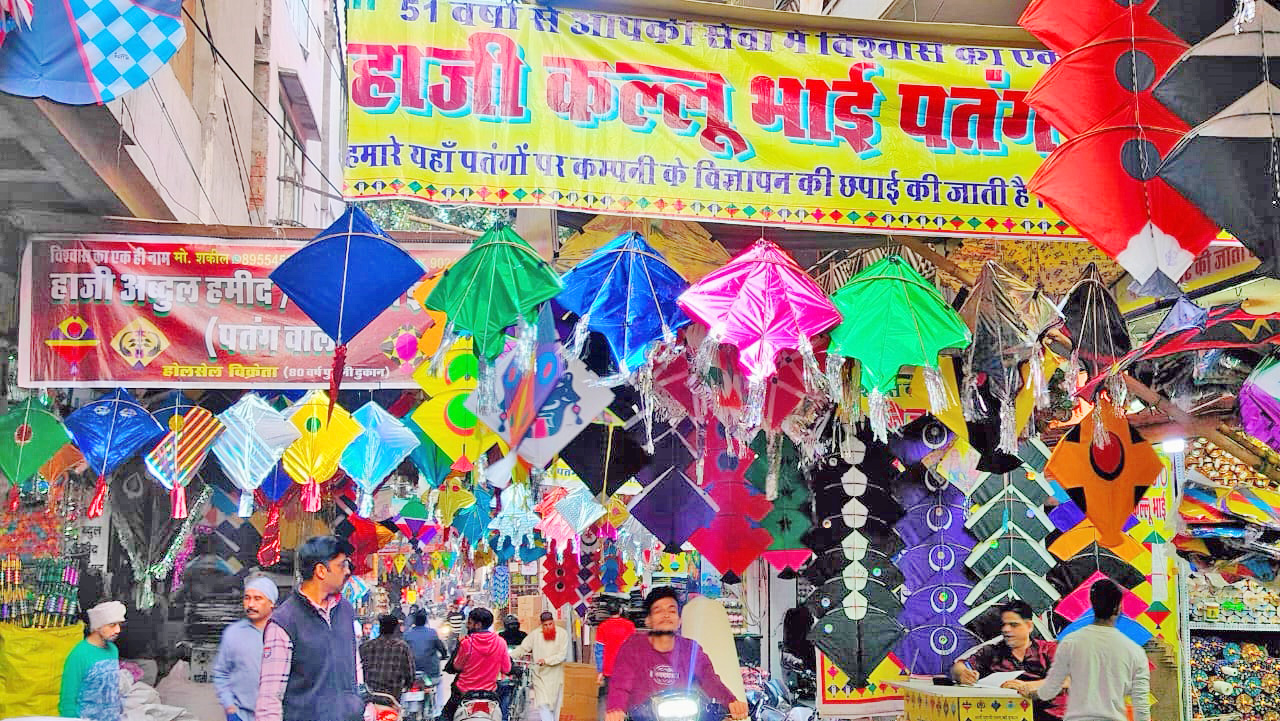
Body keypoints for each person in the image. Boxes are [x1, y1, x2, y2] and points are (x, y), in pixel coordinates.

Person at [256, 535, 367, 721]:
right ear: (321, 571)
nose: (347, 571)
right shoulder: (284, 622)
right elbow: (270, 696)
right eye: (341, 565)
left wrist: (362, 705)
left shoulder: (346, 610)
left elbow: (355, 668)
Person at [605, 587, 748, 721]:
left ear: (679, 621)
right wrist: (616, 710)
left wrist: (731, 702)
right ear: (648, 620)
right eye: (658, 610)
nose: (666, 615)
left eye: (672, 611)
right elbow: (620, 685)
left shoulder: (690, 649)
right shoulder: (633, 647)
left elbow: (709, 679)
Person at [1023, 580, 1151, 721]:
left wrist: (1026, 690)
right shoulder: (1134, 651)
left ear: (1092, 604)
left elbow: (1050, 689)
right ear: (1119, 608)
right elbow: (1141, 706)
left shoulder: (1069, 643)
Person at [950, 600, 1065, 721]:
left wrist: (1028, 686)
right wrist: (961, 673)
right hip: (1006, 715)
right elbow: (959, 666)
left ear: (1029, 626)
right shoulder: (992, 652)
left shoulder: (1049, 649)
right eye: (1004, 625)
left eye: (1013, 625)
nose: (1006, 629)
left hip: (1050, 715)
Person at [213, 576, 279, 721]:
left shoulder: (284, 633)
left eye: (258, 598)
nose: (251, 604)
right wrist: (230, 707)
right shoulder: (234, 633)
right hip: (241, 714)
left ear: (271, 603)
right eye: (247, 598)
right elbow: (221, 673)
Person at [59, 600, 126, 721]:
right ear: (97, 627)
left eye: (119, 625)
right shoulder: (79, 654)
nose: (118, 630)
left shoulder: (113, 650)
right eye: (112, 625)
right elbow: (67, 700)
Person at [441, 607, 512, 721]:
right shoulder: (500, 642)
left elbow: (457, 666)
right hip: (490, 693)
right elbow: (507, 668)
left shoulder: (467, 643)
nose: (467, 626)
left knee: (445, 716)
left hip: (464, 692)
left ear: (478, 625)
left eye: (469, 623)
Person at [511, 612, 569, 721]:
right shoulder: (535, 634)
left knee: (555, 707)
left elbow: (562, 655)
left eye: (550, 624)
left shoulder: (563, 634)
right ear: (541, 624)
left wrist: (546, 660)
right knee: (542, 704)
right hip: (539, 675)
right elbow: (523, 649)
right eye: (545, 625)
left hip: (556, 675)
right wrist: (507, 656)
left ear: (553, 622)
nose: (548, 627)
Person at [595, 601, 636, 720]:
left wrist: (600, 670)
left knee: (609, 699)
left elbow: (599, 651)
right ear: (620, 611)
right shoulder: (629, 625)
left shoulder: (602, 627)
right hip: (626, 670)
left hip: (609, 670)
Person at [361, 614, 417, 701]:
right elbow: (410, 673)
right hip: (392, 696)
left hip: (370, 694)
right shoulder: (402, 647)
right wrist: (408, 685)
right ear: (395, 629)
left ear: (380, 628)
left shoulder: (366, 646)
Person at [405, 609, 450, 716]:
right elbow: (442, 649)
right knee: (439, 684)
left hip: (411, 674)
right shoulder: (432, 633)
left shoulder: (407, 635)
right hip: (431, 674)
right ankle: (439, 710)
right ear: (425, 621)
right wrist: (444, 656)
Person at [497, 615, 527, 721]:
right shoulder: (500, 637)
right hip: (506, 669)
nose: (513, 627)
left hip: (519, 662)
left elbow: (529, 648)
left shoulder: (524, 636)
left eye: (515, 624)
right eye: (510, 625)